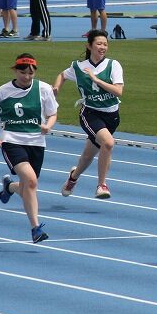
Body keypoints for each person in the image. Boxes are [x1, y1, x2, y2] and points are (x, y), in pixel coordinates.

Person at [0, 53, 58, 243]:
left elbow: (53, 113)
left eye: (31, 73)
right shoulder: (4, 90)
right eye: (23, 72)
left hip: (36, 142)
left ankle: (10, 187)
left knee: (27, 186)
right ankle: (35, 228)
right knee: (32, 182)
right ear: (15, 70)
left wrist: (48, 126)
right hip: (12, 141)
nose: (27, 76)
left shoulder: (43, 89)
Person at [53, 30, 124, 199]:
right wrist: (55, 88)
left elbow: (118, 91)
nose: (102, 47)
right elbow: (62, 75)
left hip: (112, 116)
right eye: (99, 43)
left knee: (88, 155)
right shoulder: (78, 67)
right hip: (90, 114)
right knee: (108, 143)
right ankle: (101, 185)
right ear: (89, 46)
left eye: (105, 44)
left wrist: (97, 80)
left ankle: (73, 177)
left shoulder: (114, 65)